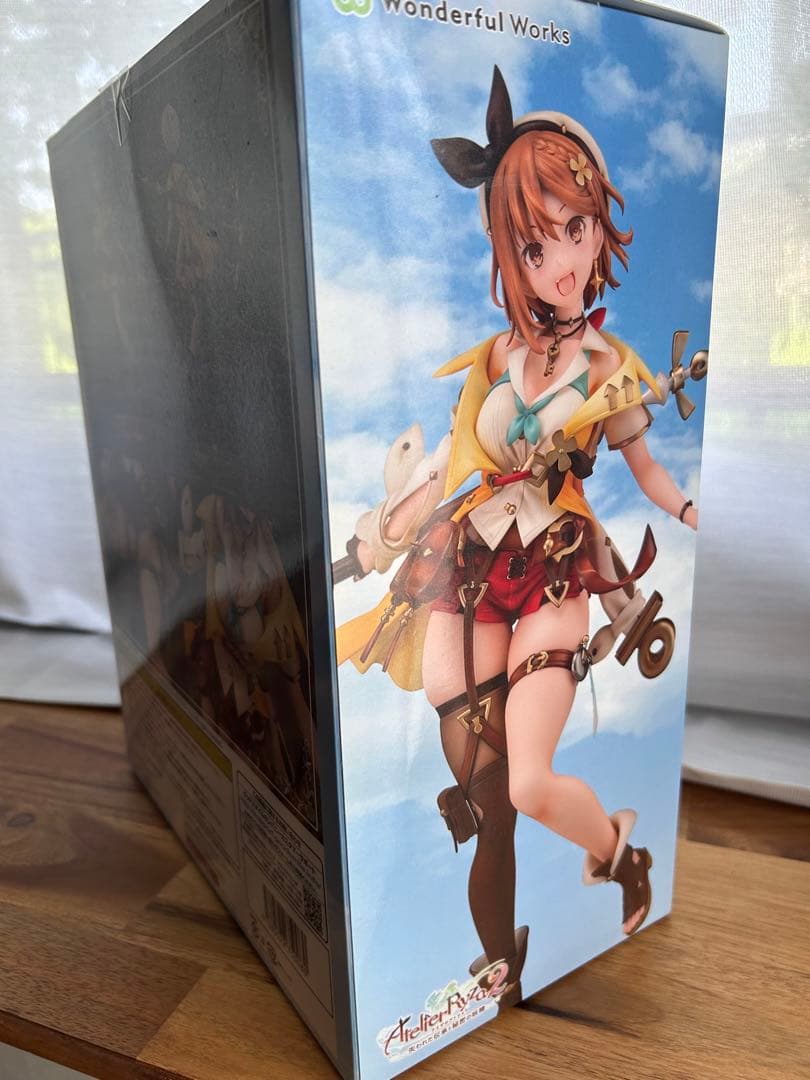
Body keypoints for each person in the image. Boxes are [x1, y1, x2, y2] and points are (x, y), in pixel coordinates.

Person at [336, 67, 698, 1008]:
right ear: (512, 258)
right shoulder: (495, 358)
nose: (563, 259)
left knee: (529, 782)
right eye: (538, 245)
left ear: (599, 225)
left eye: (577, 229)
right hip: (469, 563)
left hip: (555, 570)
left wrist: (691, 510)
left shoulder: (611, 366)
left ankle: (620, 851)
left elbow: (646, 469)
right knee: (486, 796)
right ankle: (501, 966)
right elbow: (448, 467)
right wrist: (371, 545)